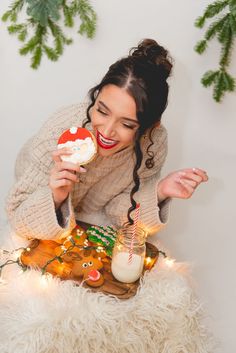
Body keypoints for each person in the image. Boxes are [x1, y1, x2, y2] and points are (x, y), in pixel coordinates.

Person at [6, 39, 208, 240]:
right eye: (102, 111)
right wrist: (55, 196)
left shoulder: (153, 144)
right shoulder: (61, 130)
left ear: (150, 126)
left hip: (92, 221)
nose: (107, 131)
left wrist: (160, 192)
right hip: (40, 211)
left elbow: (120, 211)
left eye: (127, 124)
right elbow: (18, 218)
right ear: (95, 97)